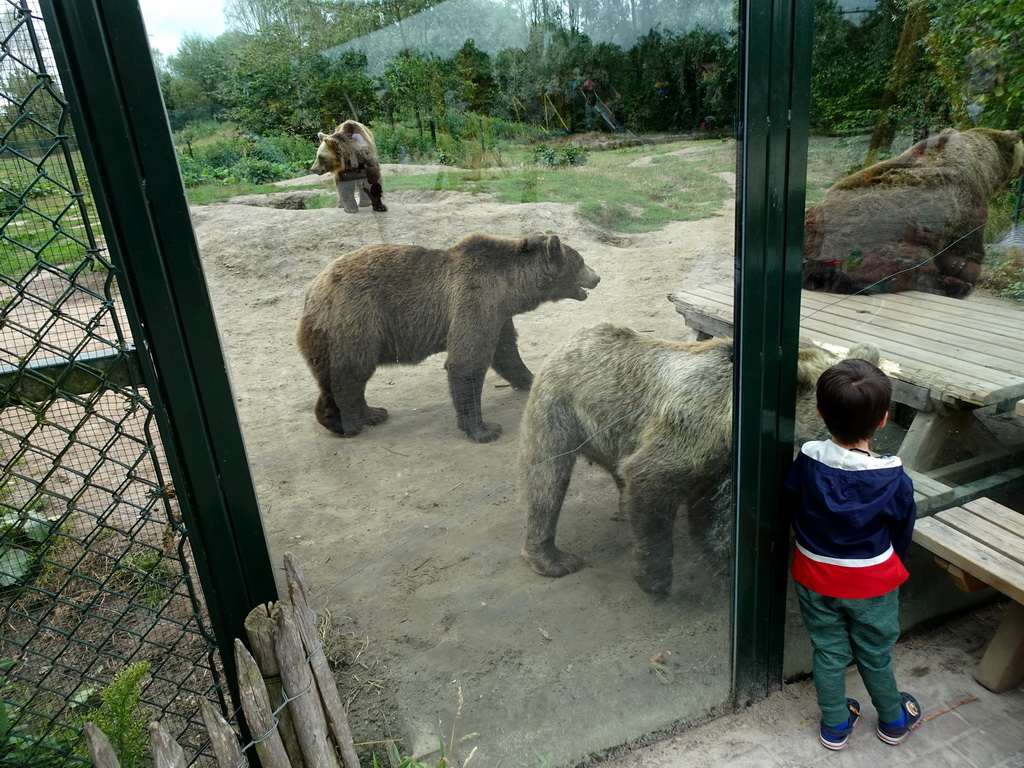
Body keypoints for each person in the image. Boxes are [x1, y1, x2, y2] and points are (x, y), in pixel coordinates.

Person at [784, 358, 922, 750]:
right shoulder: (894, 479)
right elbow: (901, 533)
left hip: (814, 574)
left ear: (820, 413)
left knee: (828, 649)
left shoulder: (807, 460)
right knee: (875, 652)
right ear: (883, 419)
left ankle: (835, 725)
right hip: (871, 583)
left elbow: (792, 502)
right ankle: (894, 720)